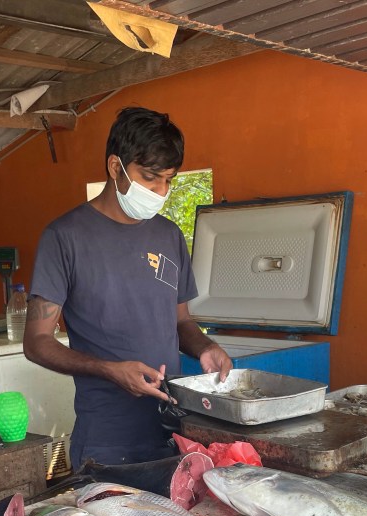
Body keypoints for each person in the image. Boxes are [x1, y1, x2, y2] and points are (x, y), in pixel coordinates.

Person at [24, 106, 232, 469]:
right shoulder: (65, 237)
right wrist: (110, 370)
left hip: (174, 432)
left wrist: (206, 347)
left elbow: (181, 321)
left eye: (168, 180)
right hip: (106, 443)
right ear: (115, 167)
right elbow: (36, 342)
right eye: (150, 177)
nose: (161, 191)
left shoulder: (169, 235)